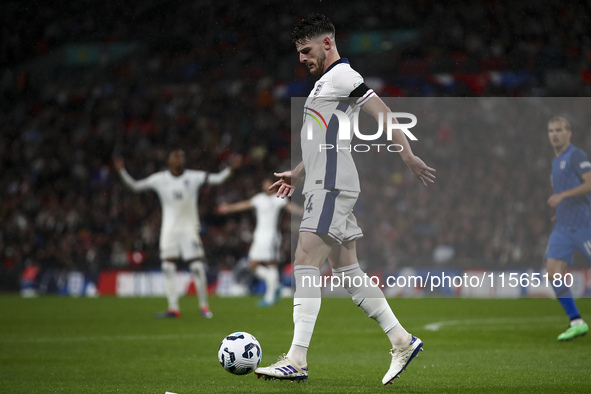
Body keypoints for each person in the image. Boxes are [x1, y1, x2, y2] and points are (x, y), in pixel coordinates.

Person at [254, 14, 436, 385]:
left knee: (305, 259)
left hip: (332, 183)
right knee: (347, 271)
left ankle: (297, 360)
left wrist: (407, 155)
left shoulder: (342, 76)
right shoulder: (324, 85)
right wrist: (298, 172)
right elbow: (325, 140)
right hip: (326, 180)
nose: (302, 58)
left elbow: (382, 112)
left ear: (327, 42)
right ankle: (402, 340)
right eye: (298, 53)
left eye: (306, 50)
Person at [114, 150, 238, 319]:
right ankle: (173, 308)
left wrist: (230, 169)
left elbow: (217, 179)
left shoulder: (194, 177)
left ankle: (204, 307)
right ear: (169, 161)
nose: (179, 159)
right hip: (169, 230)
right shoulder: (159, 179)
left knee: (197, 267)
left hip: (189, 229)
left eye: (182, 156)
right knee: (167, 267)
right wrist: (121, 171)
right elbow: (135, 186)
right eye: (175, 156)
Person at [217, 178, 302, 307]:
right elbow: (244, 204)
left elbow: (292, 208)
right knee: (254, 265)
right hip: (259, 236)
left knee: (269, 264)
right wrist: (228, 208)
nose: (267, 186)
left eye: (269, 184)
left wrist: (306, 212)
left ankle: (269, 297)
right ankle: (276, 286)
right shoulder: (259, 199)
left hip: (271, 237)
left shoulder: (279, 199)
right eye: (265, 184)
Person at [545, 116, 591, 341]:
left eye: (559, 130)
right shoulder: (555, 162)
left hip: (584, 225)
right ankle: (576, 321)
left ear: (569, 133)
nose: (555, 134)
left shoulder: (576, 155)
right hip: (563, 227)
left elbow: (589, 183)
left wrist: (562, 195)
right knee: (553, 271)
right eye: (551, 131)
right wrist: (561, 209)